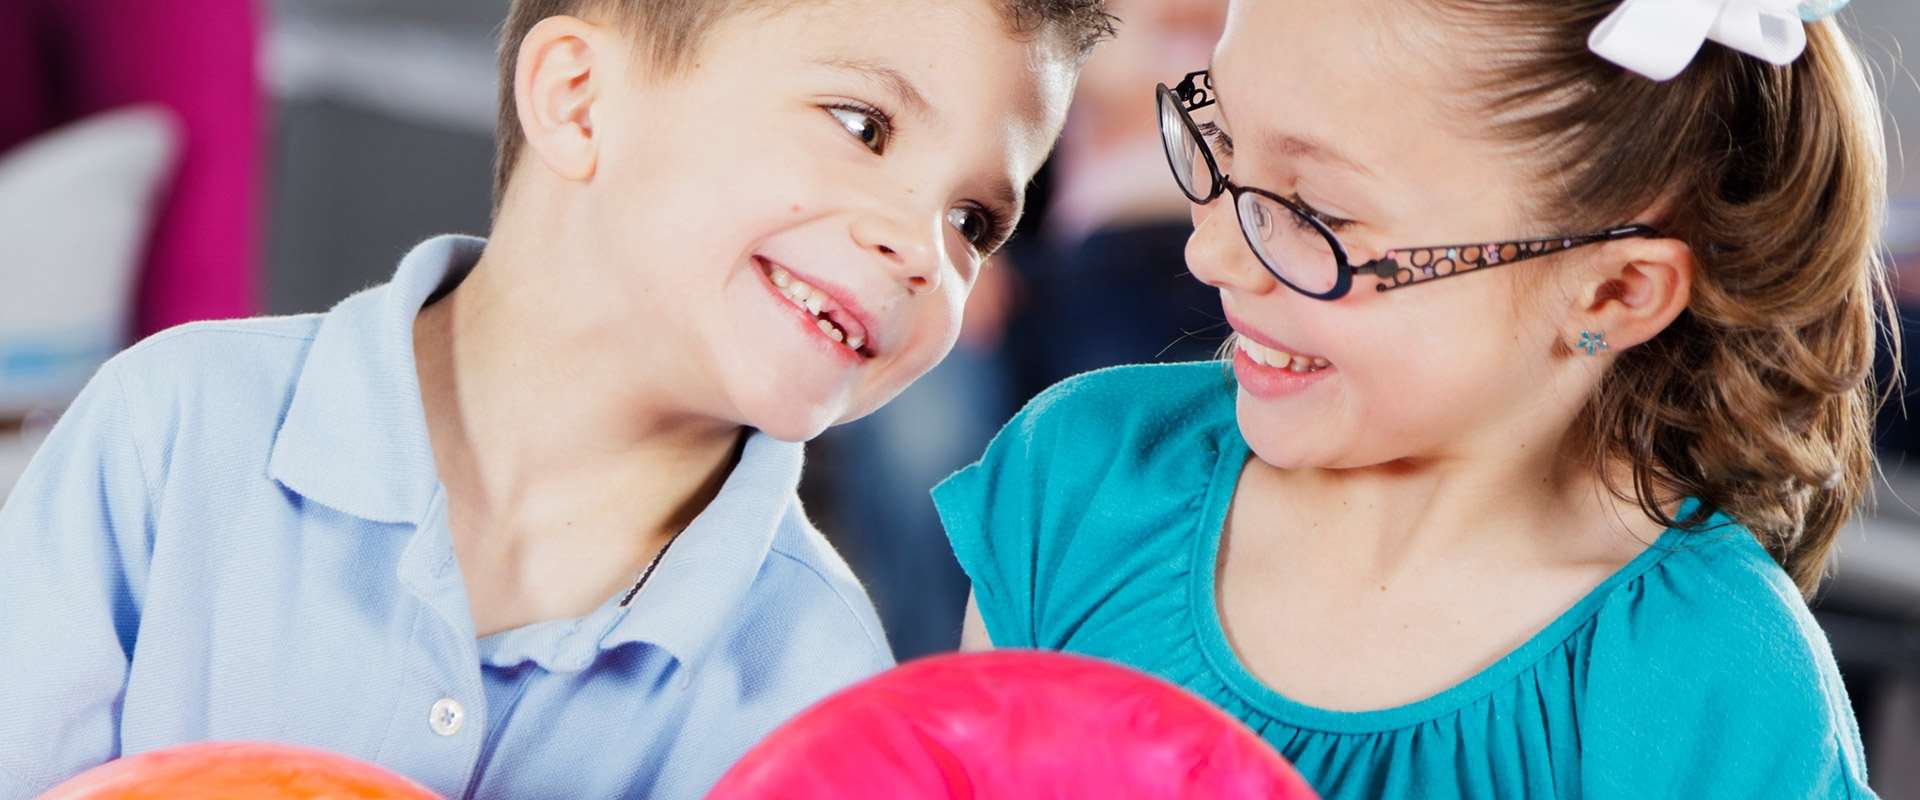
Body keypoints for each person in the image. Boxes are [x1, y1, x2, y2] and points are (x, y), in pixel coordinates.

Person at [0, 1, 1114, 797]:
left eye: (975, 219)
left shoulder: (813, 674)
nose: (923, 248)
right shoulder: (174, 427)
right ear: (579, 99)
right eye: (863, 125)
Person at [938, 0, 1885, 796]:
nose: (1211, 254)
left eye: (1317, 215)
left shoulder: (1712, 682)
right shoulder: (1080, 487)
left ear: (1614, 292)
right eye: (1219, 137)